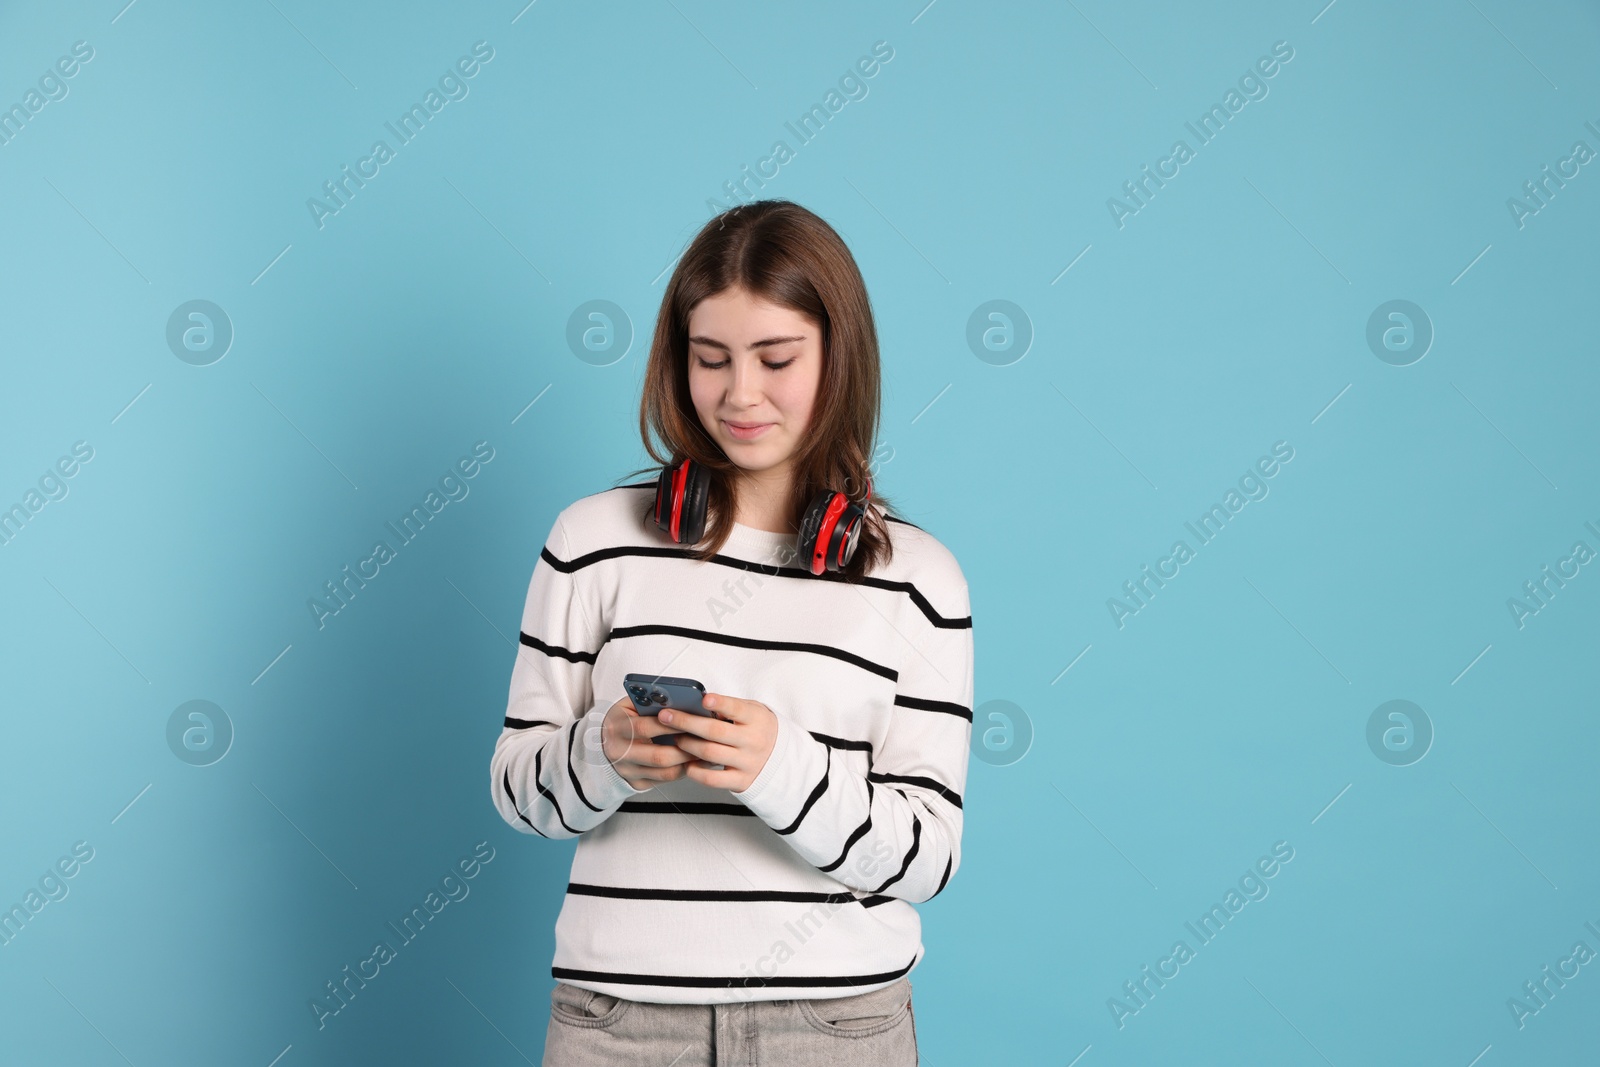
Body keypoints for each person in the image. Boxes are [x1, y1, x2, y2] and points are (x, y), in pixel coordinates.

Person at [489, 199, 974, 1066]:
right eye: (710, 359)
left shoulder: (920, 579)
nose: (738, 393)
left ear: (839, 358)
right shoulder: (592, 542)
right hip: (618, 1026)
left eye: (775, 358)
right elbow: (519, 793)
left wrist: (777, 766)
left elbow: (927, 856)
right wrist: (606, 753)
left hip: (835, 1030)